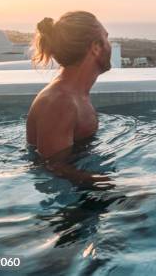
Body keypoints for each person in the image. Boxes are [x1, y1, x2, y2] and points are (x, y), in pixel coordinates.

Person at [26, 11, 113, 185]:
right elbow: (52, 167)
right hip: (72, 202)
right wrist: (118, 187)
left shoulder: (75, 95)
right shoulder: (60, 102)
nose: (110, 46)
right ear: (96, 47)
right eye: (106, 38)